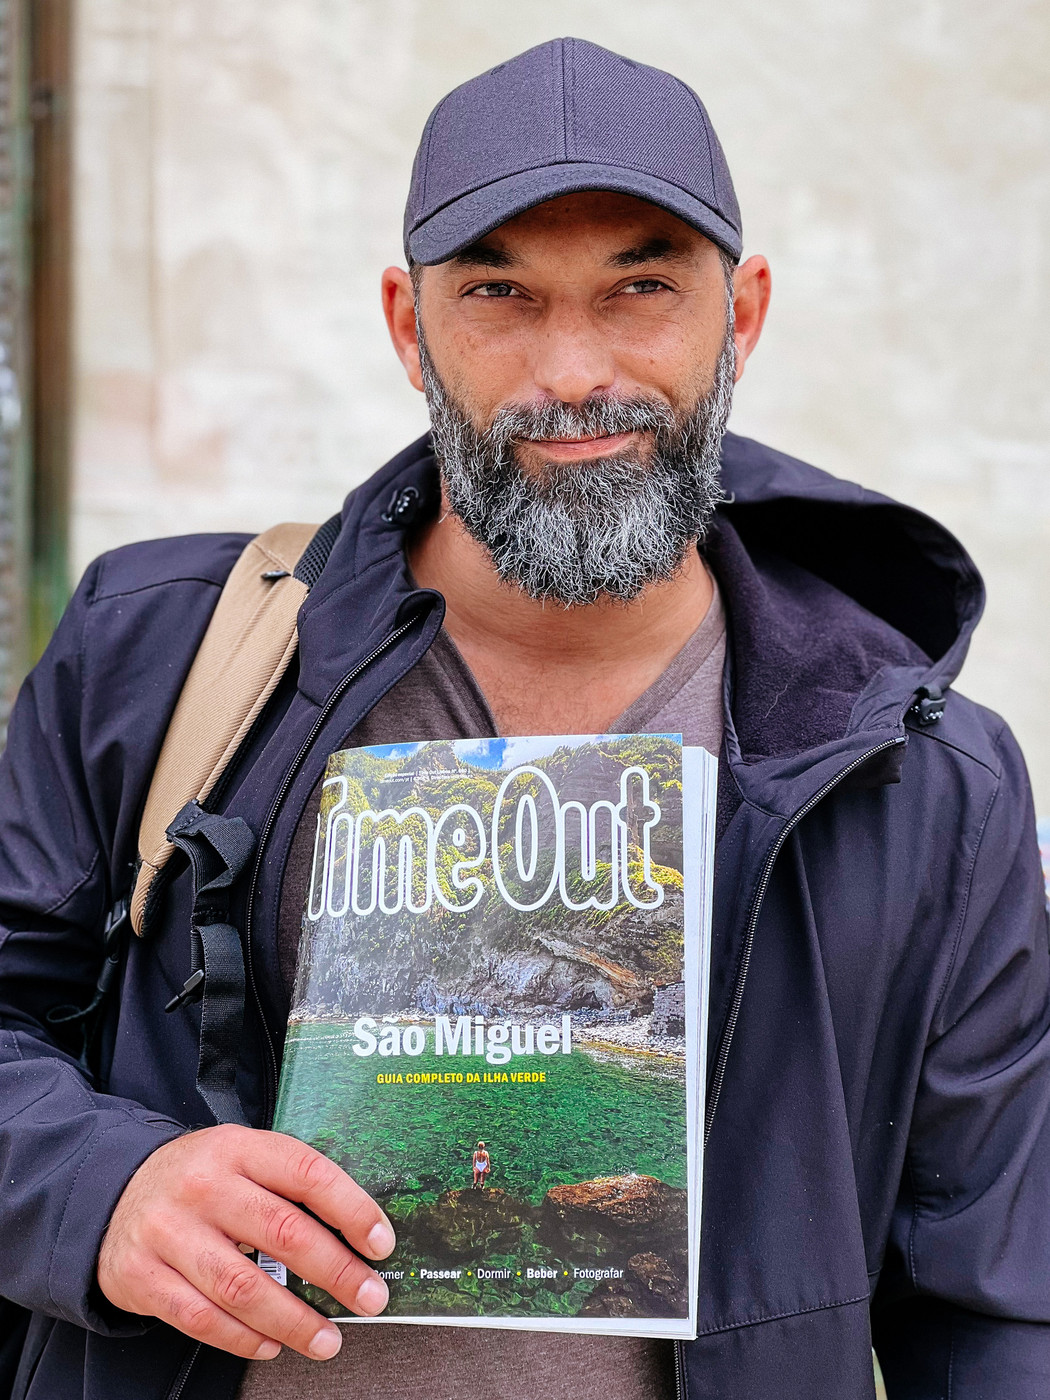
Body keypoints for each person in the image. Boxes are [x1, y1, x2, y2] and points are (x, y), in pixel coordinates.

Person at [0, 34, 1048, 1400]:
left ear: (740, 316)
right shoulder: (162, 656)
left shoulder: (924, 783)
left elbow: (995, 1300)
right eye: (499, 292)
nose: (572, 370)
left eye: (641, 288)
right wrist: (100, 1189)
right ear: (407, 325)